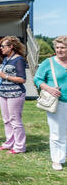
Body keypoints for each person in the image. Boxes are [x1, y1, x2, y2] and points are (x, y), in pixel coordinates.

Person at [34, 35, 67, 171]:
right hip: (57, 103)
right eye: (57, 47)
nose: (59, 50)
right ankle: (57, 160)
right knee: (57, 132)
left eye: (63, 47)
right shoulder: (49, 62)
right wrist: (49, 89)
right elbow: (37, 79)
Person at [0, 36, 27, 154]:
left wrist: (6, 76)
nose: (1, 48)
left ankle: (19, 146)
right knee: (6, 120)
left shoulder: (19, 60)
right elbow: (0, 77)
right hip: (4, 93)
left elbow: (22, 79)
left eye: (3, 46)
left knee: (15, 120)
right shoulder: (6, 59)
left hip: (15, 93)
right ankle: (9, 143)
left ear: (11, 47)